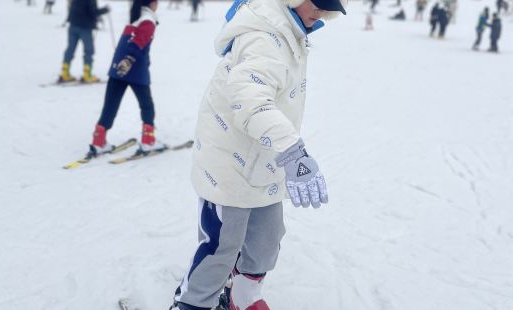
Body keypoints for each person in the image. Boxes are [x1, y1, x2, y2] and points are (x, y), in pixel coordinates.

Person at [169, 0, 346, 309]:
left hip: (265, 158)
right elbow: (250, 101)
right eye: (316, 2)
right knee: (223, 244)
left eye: (327, 6)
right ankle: (192, 303)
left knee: (267, 238)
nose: (319, 11)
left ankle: (243, 295)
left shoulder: (291, 28)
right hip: (230, 162)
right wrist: (292, 151)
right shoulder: (264, 35)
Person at [88, 0, 164, 156]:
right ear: (152, 3)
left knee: (111, 104)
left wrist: (122, 63)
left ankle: (98, 140)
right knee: (147, 105)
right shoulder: (148, 21)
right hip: (134, 69)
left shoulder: (135, 19)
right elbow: (137, 44)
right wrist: (128, 60)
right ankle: (148, 141)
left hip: (117, 69)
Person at [58, 0, 110, 83]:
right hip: (85, 27)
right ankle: (87, 75)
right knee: (89, 50)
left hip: (73, 24)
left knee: (70, 49)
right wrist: (105, 10)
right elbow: (93, 12)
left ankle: (65, 72)